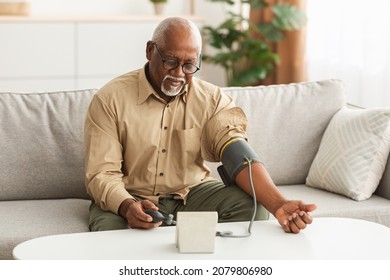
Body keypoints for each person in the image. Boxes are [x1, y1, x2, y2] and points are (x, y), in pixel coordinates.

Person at [84, 17, 316, 234]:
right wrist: (126, 206)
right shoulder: (110, 99)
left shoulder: (213, 99)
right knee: (109, 232)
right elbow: (102, 174)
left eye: (189, 65)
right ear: (149, 51)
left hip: (191, 194)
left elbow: (237, 155)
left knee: (253, 207)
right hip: (130, 195)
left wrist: (279, 204)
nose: (178, 73)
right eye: (170, 61)